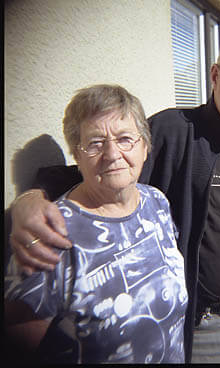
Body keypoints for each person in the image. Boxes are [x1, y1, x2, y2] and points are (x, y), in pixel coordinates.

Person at [9, 28, 220, 363]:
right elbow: (106, 168)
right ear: (216, 75)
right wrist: (31, 198)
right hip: (207, 326)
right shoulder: (173, 130)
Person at [5, 84, 188, 364]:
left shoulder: (157, 203)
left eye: (125, 138)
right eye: (95, 143)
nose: (112, 154)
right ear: (77, 156)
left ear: (145, 146)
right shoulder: (49, 233)